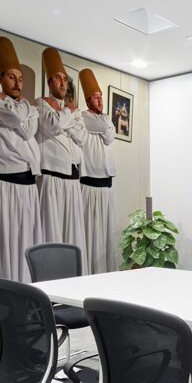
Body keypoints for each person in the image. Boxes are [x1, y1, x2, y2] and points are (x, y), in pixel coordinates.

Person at [0, 36, 42, 296]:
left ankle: (27, 293)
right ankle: (0, 296)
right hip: (2, 182)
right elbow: (18, 118)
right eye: (12, 78)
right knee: (1, 243)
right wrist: (16, 112)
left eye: (20, 78)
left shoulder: (30, 107)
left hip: (28, 184)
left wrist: (19, 113)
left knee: (26, 242)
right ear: (1, 78)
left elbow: (26, 128)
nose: (17, 83)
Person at [36, 48, 88, 262]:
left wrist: (67, 116)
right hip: (52, 178)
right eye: (57, 78)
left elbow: (82, 137)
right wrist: (69, 114)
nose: (62, 83)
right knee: (53, 232)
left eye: (65, 79)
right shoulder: (40, 103)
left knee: (73, 234)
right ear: (49, 82)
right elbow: (54, 125)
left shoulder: (71, 111)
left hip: (72, 180)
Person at [78, 68, 118, 274]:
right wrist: (106, 125)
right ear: (87, 100)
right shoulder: (83, 117)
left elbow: (110, 136)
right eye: (96, 97)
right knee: (91, 234)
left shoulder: (105, 119)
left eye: (101, 97)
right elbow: (104, 128)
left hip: (106, 186)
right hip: (89, 186)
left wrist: (106, 125)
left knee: (107, 236)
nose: (100, 100)